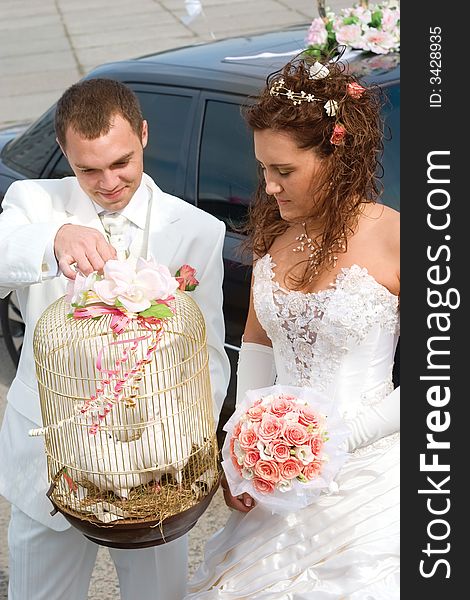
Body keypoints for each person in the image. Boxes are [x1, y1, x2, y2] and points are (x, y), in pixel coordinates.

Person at [0, 78, 230, 600]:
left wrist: (184, 449)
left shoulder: (199, 230)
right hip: (52, 463)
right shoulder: (34, 201)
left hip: (156, 463)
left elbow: (209, 352)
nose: (108, 182)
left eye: (121, 162)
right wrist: (53, 238)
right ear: (65, 152)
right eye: (88, 169)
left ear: (144, 134)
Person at [186, 55, 399, 598]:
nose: (270, 186)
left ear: (337, 157)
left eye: (284, 171)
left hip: (371, 480)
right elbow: (257, 344)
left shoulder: (397, 237)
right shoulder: (275, 239)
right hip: (281, 482)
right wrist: (246, 453)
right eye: (264, 169)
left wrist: (337, 438)